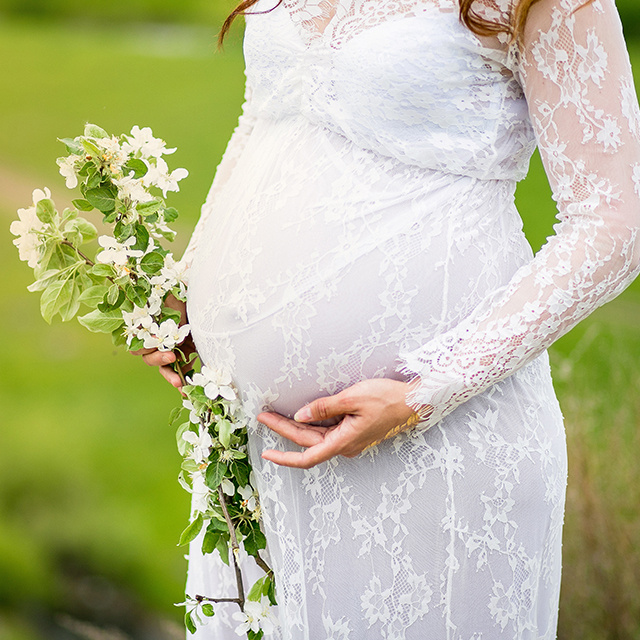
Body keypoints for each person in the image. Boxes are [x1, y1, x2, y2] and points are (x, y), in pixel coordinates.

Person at [135, 0, 640, 636]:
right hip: (258, 442)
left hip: (439, 443)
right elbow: (264, 116)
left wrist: (426, 391)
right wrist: (197, 297)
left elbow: (613, 224)